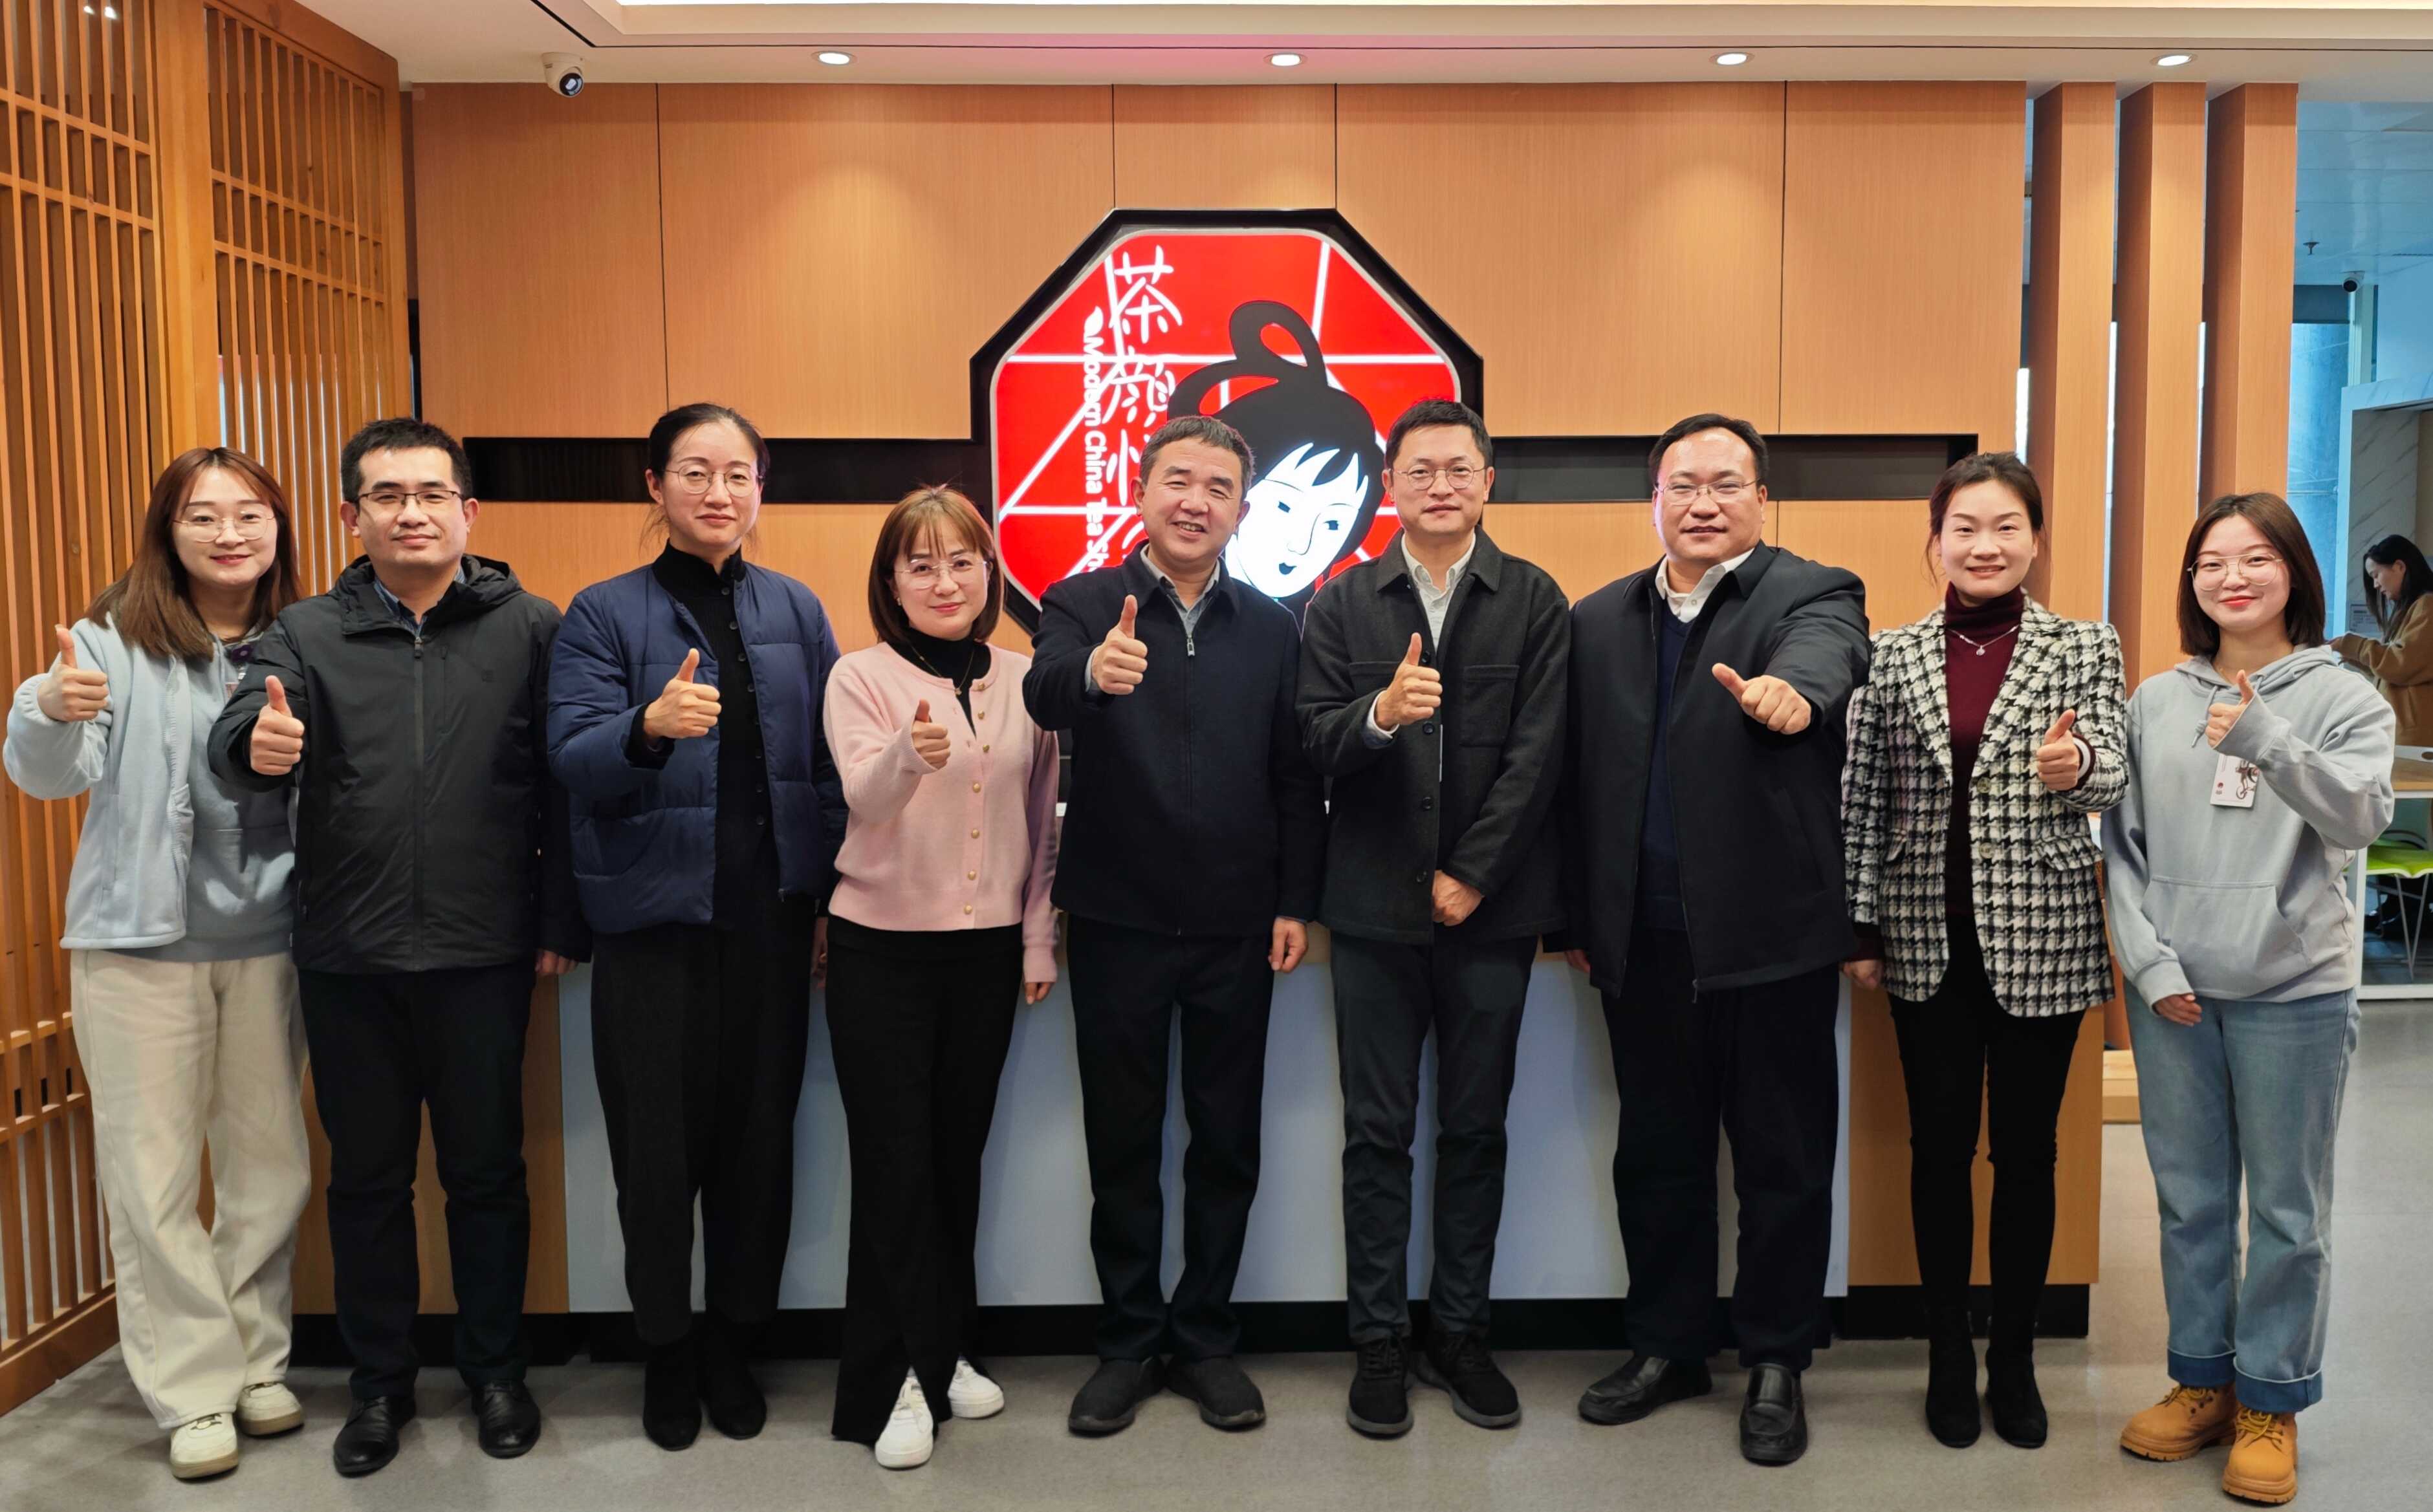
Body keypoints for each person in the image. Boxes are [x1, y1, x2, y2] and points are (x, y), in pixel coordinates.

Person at [208, 417, 589, 1478]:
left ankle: (497, 1372)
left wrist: (558, 919)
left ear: (469, 510)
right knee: (368, 1183)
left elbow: (562, 785)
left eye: (431, 494)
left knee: (486, 1174)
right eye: (386, 495)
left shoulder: (533, 626)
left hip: (485, 950)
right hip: (349, 953)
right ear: (352, 516)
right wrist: (255, 742)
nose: (410, 513)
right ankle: (379, 1386)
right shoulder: (305, 632)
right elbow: (238, 732)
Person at [1561, 411, 1870, 1466]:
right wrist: (1579, 918)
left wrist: (1795, 694)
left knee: (1785, 1159)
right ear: (1654, 498)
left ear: (1761, 498)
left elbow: (1826, 659)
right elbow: (1575, 780)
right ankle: (1669, 1344)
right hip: (1642, 941)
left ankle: (1777, 1357)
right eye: (1682, 484)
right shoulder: (1599, 618)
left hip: (1771, 938)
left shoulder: (1812, 594)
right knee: (1657, 1157)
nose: (1703, 502)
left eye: (1726, 483)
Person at [546, 403, 845, 1452]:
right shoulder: (602, 613)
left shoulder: (797, 608)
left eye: (738, 473)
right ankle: (667, 1348)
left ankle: (734, 1345)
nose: (720, 492)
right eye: (695, 472)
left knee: (760, 1150)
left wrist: (826, 897)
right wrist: (646, 727)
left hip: (771, 926)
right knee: (657, 1157)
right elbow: (572, 757)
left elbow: (827, 770)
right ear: (654, 486)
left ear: (761, 487)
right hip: (653, 931)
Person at [4, 449, 306, 1482]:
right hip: (137, 945)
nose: (229, 533)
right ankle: (192, 1387)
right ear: (166, 533)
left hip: (272, 937)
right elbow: (51, 775)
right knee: (154, 1174)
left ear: (278, 528)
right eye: (202, 515)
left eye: (250, 513)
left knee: (270, 1165)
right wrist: (49, 708)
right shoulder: (107, 641)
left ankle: (258, 1361)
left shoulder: (303, 635)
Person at [1021, 413, 1324, 1438]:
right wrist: (1091, 676)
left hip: (1239, 923)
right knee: (1122, 1142)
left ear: (1242, 508)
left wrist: (1293, 898)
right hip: (1118, 917)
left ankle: (1204, 1340)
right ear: (1142, 491)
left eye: (1219, 488)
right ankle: (1126, 1341)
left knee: (1225, 1141)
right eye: (1178, 480)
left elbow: (1294, 775)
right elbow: (1042, 689)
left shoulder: (1274, 624)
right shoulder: (1081, 601)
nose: (1196, 502)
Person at [2106, 492, 2393, 1507]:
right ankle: (2202, 1379)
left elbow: (2360, 819)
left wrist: (2270, 737)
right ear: (2191, 582)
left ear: (2293, 572)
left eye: (2255, 557)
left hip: (2294, 992)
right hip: (2174, 994)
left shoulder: (2344, 695)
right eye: (2211, 562)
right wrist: (2149, 965)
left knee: (2285, 1207)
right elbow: (2121, 846)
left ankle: (2272, 1397)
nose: (2232, 577)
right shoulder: (2154, 699)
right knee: (2189, 1200)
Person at [1838, 452, 2126, 1451]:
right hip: (1923, 938)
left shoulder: (2083, 644)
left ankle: (2014, 1358)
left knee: (2029, 1155)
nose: (1984, 545)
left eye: (2005, 526)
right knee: (1938, 1152)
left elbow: (2113, 773)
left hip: (2042, 932)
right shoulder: (1891, 654)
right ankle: (1946, 1357)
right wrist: (1860, 925)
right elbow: (1863, 797)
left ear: (2035, 538)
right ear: (1937, 541)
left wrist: (2077, 763)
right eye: (1964, 527)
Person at [1294, 398, 1569, 1438]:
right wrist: (1378, 715)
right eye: (1420, 470)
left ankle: (1459, 1331)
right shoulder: (1339, 603)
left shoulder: (1533, 599)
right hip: (1371, 911)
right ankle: (1378, 1338)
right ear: (1389, 486)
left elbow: (1541, 755)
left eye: (1459, 468)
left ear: (1487, 481)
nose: (1440, 485)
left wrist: (1474, 873)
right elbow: (1312, 740)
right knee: (1374, 1134)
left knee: (1474, 1128)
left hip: (1490, 916)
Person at [821, 487, 1060, 1470]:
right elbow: (864, 794)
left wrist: (1036, 940)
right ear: (892, 581)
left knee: (955, 1159)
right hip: (879, 950)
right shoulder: (859, 676)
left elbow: (1044, 821)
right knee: (894, 1167)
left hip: (987, 953)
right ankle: (894, 1381)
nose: (944, 581)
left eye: (962, 561)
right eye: (920, 565)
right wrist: (907, 759)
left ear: (988, 573)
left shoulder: (1027, 679)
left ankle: (943, 1343)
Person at [2332, 534, 2433, 746]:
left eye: (2376, 575)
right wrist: (2358, 658)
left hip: (2415, 739)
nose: (2376, 585)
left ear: (2399, 567)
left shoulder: (2428, 606)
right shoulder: (2412, 609)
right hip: (2406, 735)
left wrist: (2354, 645)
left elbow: (2402, 664)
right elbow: (2398, 672)